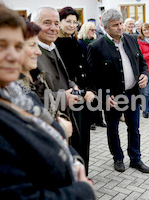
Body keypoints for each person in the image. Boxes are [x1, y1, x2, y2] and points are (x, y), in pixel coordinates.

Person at [0, 1, 95, 199]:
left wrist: (73, 162)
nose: (13, 56)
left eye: (18, 46)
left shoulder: (3, 92)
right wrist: (83, 190)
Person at [87, 9, 149, 173]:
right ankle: (118, 158)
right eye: (115, 25)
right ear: (105, 27)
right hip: (113, 98)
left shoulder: (132, 39)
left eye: (121, 23)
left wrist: (144, 74)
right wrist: (103, 95)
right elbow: (92, 78)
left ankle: (136, 159)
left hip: (133, 94)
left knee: (134, 128)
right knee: (113, 129)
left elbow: (142, 62)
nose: (120, 27)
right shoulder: (96, 47)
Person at [53, 6, 96, 177]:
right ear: (60, 22)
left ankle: (83, 173)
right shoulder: (55, 44)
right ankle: (74, 176)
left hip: (85, 97)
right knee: (73, 140)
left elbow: (87, 69)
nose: (72, 25)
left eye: (74, 22)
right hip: (70, 99)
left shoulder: (77, 42)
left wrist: (90, 90)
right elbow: (63, 76)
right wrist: (81, 92)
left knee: (84, 139)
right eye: (67, 21)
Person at [78, 22, 107, 129]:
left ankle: (99, 119)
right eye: (91, 30)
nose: (94, 32)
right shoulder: (81, 43)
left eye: (95, 30)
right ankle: (91, 121)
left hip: (97, 73)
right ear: (86, 30)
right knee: (90, 97)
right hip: (87, 73)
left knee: (98, 96)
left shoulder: (95, 42)